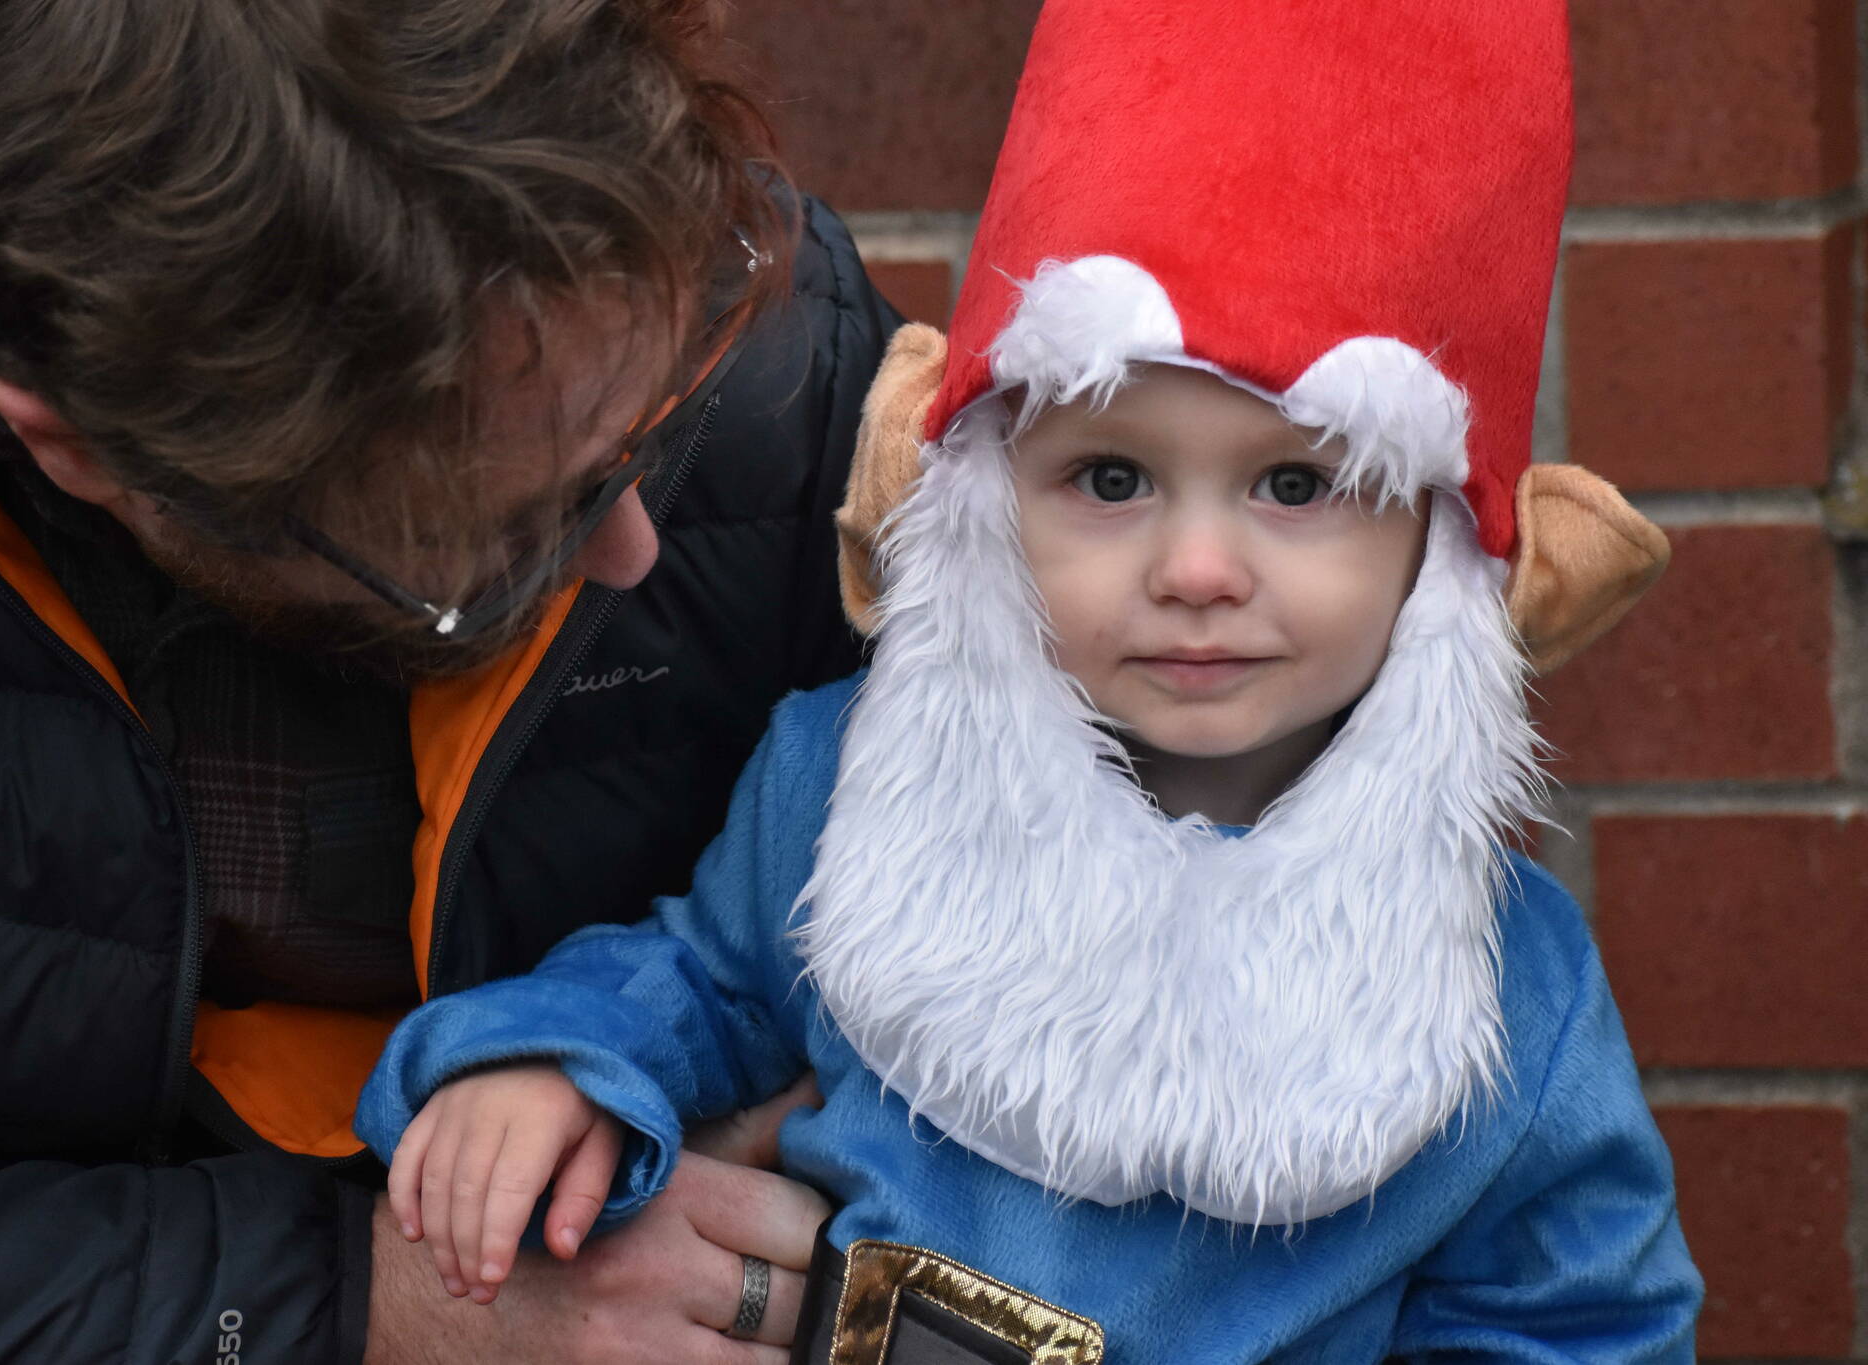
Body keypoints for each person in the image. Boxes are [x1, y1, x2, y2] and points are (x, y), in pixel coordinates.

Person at [355, 1, 1707, 1361]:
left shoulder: (1503, 987)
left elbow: (1579, 1324)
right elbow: (696, 984)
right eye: (1110, 479)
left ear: (1442, 546)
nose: (1194, 566)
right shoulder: (852, 780)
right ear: (992, 497)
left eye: (1296, 483)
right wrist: (554, 1065)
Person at [0, 1, 898, 1361]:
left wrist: (797, 1130)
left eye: (652, 426)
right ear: (82, 452)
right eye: (504, 541)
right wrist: (357, 1302)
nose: (630, 554)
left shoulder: (778, 359)